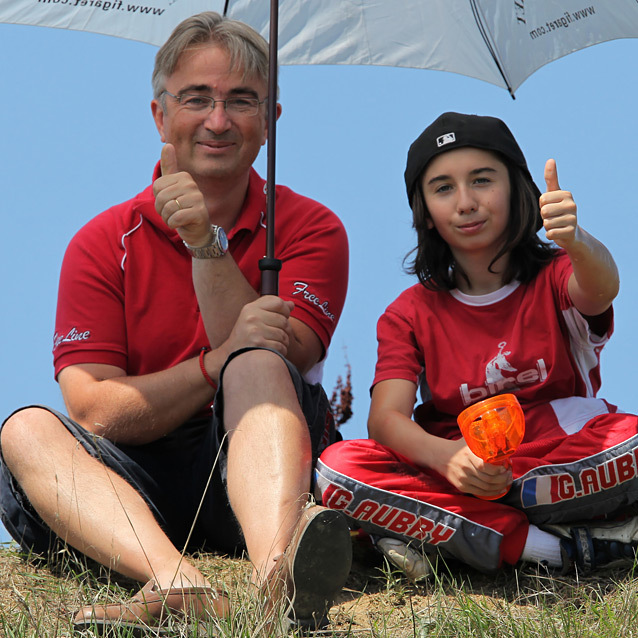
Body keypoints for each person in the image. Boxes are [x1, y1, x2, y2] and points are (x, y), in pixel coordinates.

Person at [0, 11, 352, 632]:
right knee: (24, 430)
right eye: (197, 99)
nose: (218, 120)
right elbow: (93, 407)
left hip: (262, 456)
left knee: (259, 361)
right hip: (132, 489)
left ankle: (277, 580)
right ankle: (175, 579)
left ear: (270, 122)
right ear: (160, 116)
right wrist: (213, 362)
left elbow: (288, 357)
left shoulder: (313, 227)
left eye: (242, 101)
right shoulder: (100, 241)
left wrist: (205, 245)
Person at [317, 111, 638, 580]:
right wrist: (448, 461)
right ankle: (555, 549)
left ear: (517, 188)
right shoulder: (408, 312)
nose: (466, 202)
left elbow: (601, 289)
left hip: (556, 458)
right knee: (338, 470)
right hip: (456, 470)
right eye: (443, 188)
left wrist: (577, 241)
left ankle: (440, 533)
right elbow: (385, 420)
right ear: (424, 213)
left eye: (482, 180)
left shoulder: (555, 276)